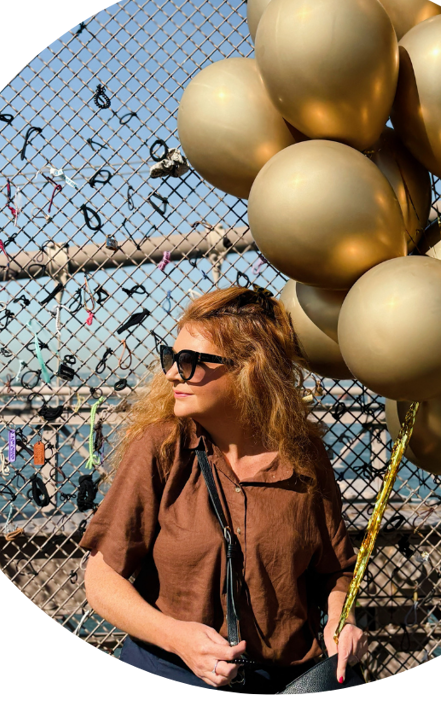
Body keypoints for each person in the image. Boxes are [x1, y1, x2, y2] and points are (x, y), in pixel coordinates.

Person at [80, 285, 368, 694]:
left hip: (287, 682)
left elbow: (335, 571)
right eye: (171, 357)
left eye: (189, 362)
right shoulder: (162, 449)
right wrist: (178, 638)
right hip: (170, 669)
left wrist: (344, 620)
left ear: (250, 368)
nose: (171, 373)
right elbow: (101, 577)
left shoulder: (305, 458)